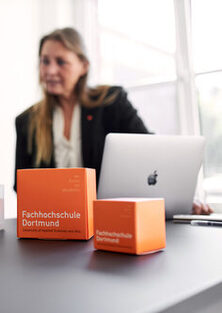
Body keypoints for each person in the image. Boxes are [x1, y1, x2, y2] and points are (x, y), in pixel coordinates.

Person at [14, 27, 212, 215]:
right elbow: (20, 187)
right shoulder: (27, 121)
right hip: (53, 225)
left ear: (83, 66)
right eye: (44, 61)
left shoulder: (111, 102)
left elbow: (151, 152)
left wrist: (181, 199)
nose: (50, 71)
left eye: (61, 62)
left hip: (108, 221)